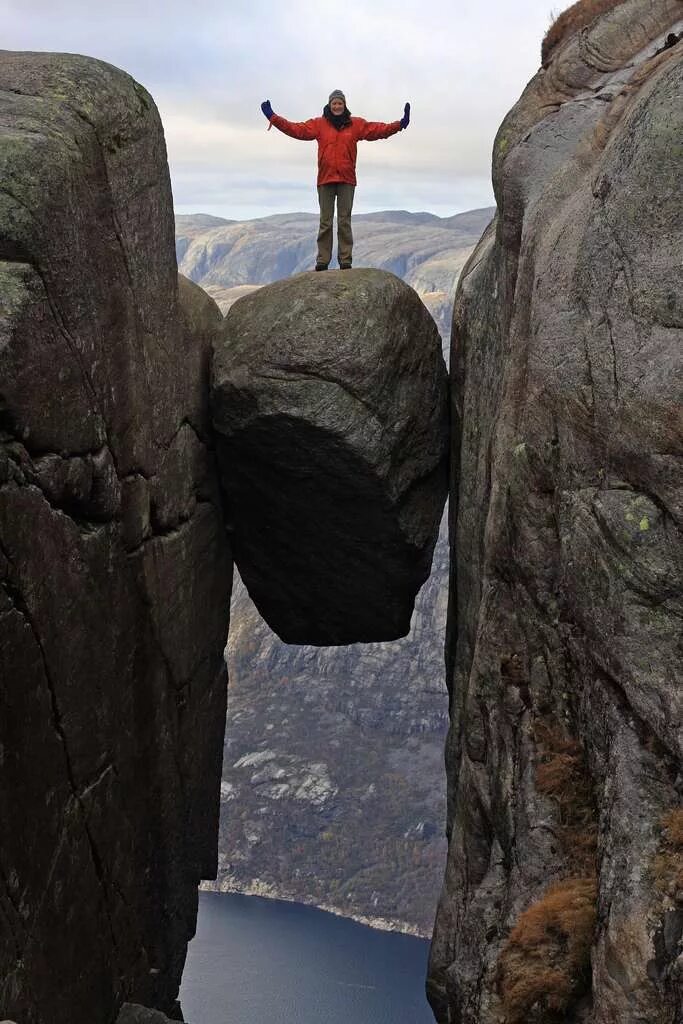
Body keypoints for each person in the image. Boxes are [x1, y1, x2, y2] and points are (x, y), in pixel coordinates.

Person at [260, 91, 410, 271]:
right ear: (330, 105)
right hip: (326, 179)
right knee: (326, 222)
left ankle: (345, 260)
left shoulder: (356, 125)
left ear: (344, 105)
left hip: (346, 179)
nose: (337, 106)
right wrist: (273, 117)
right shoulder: (318, 124)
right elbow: (296, 130)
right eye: (334, 104)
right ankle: (323, 260)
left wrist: (400, 124)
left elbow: (378, 130)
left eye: (340, 103)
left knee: (344, 221)